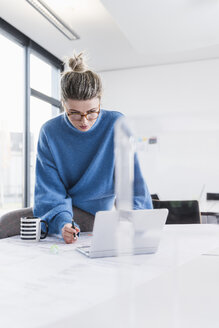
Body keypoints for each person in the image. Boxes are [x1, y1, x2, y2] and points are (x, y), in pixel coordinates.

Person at [33, 52, 152, 244]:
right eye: (75, 114)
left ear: (100, 101)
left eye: (91, 112)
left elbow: (133, 186)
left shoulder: (118, 124)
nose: (85, 121)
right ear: (63, 104)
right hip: (64, 218)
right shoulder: (50, 132)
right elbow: (49, 191)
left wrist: (134, 222)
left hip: (104, 220)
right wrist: (62, 223)